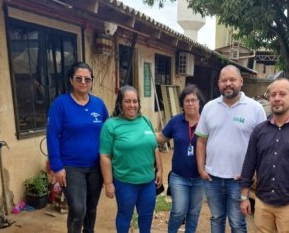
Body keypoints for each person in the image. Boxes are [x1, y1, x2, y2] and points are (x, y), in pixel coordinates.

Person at [239, 78, 289, 232]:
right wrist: (244, 197)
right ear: (268, 98)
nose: (277, 98)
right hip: (262, 202)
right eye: (273, 94)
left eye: (282, 94)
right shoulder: (259, 130)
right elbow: (249, 163)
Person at [195, 65, 267, 233]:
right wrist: (201, 169)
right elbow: (201, 141)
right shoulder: (209, 107)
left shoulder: (255, 109)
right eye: (224, 80)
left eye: (232, 80)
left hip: (239, 180)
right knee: (216, 219)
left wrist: (253, 174)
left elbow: (262, 146)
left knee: (237, 223)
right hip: (212, 178)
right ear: (218, 83)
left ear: (241, 82)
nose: (228, 84)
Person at [47, 62, 109, 233]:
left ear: (91, 82)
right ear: (71, 81)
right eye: (78, 78)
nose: (83, 82)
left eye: (87, 79)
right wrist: (56, 166)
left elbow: (108, 132)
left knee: (91, 208)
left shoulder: (98, 104)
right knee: (78, 209)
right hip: (71, 167)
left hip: (96, 167)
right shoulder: (61, 104)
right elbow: (52, 135)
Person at [99, 85, 163, 233]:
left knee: (146, 216)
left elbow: (154, 146)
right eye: (127, 101)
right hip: (125, 182)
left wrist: (159, 169)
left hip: (148, 181)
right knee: (124, 216)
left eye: (135, 101)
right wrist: (108, 183)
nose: (132, 105)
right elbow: (105, 156)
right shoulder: (111, 125)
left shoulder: (145, 120)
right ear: (120, 103)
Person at [156, 84, 206, 233]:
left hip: (200, 178)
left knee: (194, 213)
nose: (190, 103)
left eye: (193, 100)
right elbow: (161, 138)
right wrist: (142, 133)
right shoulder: (175, 121)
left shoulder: (207, 121)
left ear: (199, 103)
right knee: (178, 211)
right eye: (186, 100)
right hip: (179, 177)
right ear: (182, 104)